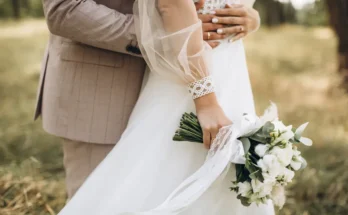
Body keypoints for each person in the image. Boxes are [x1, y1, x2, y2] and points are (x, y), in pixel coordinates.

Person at [56, 0, 275, 214]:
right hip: (182, 77)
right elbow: (172, 4)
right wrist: (205, 98)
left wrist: (250, 17)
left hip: (227, 75)